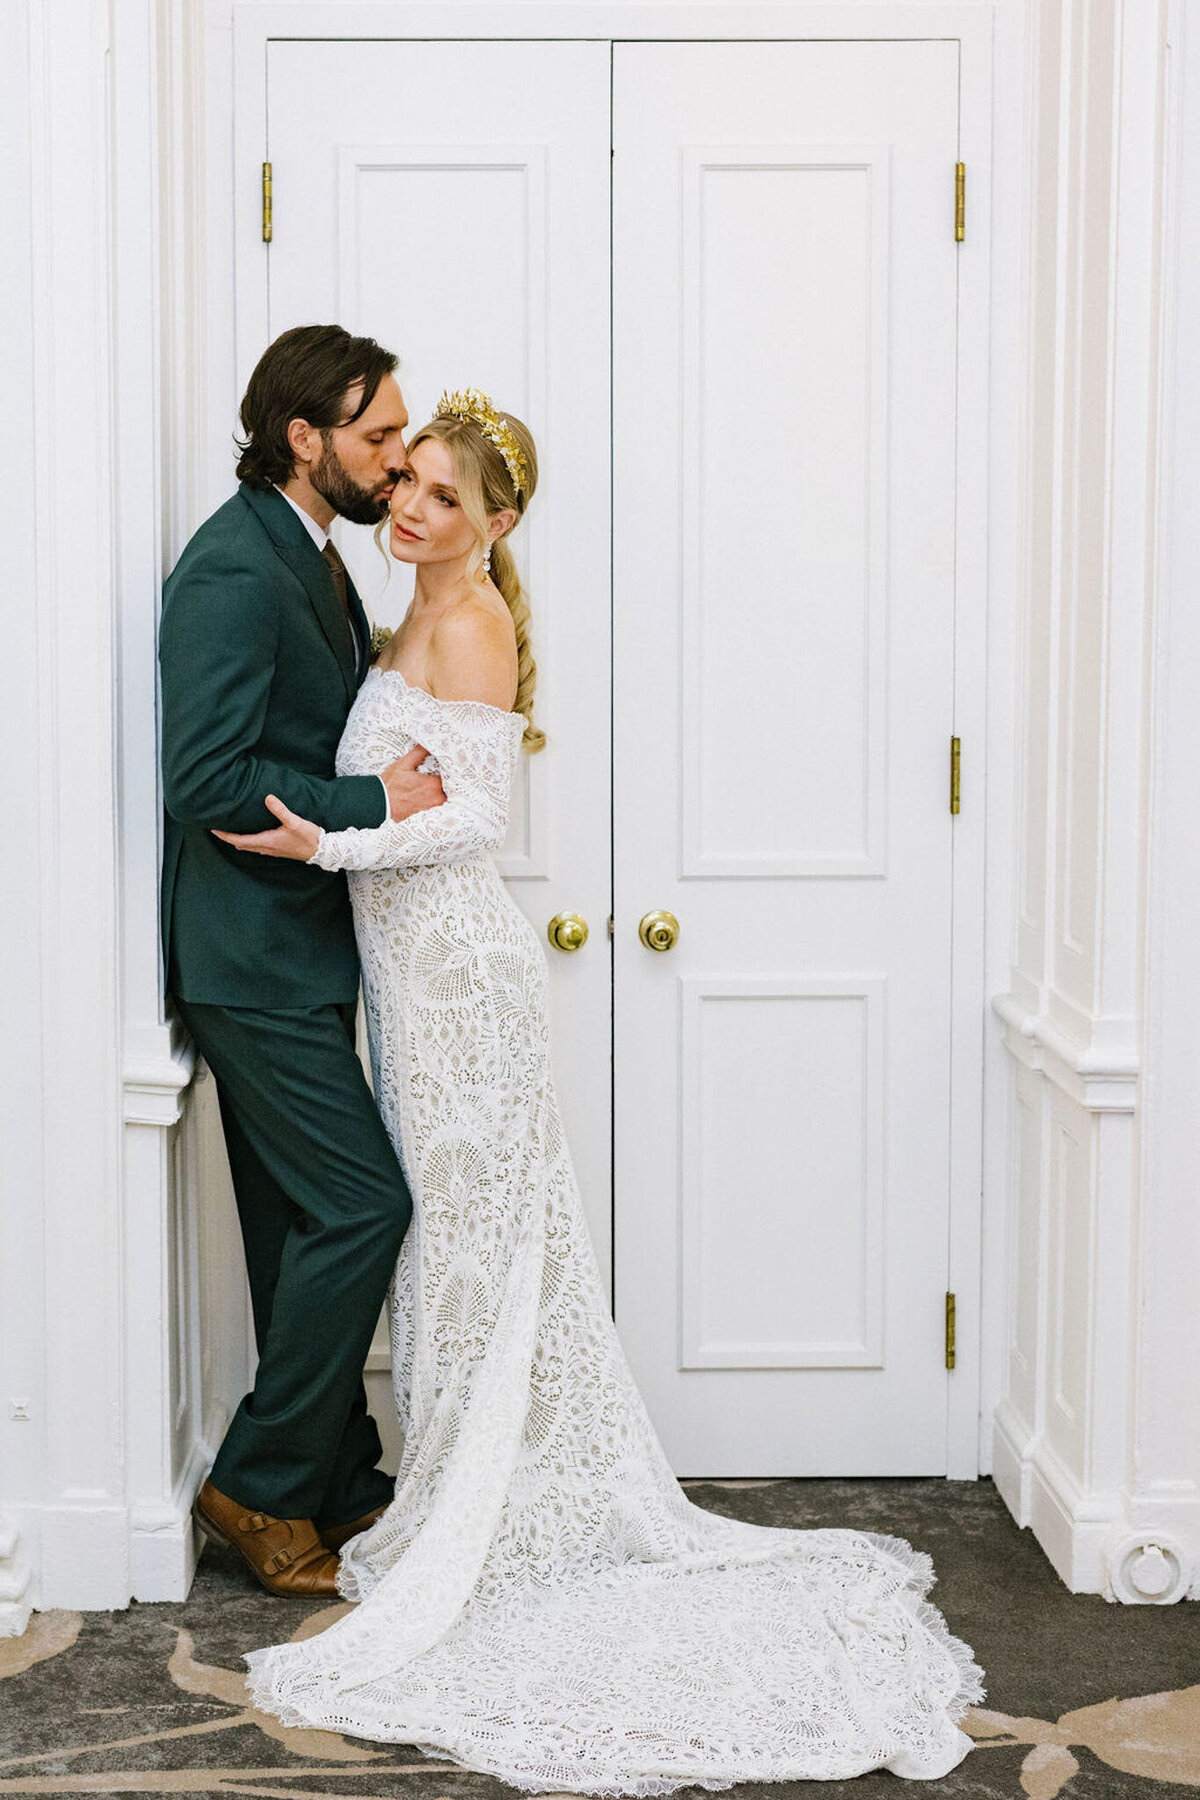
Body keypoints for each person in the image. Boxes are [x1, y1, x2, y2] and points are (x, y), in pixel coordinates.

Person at [216, 389, 983, 1788]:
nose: (413, 508)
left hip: (460, 989)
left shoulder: (473, 619)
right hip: (409, 986)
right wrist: (358, 819)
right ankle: (455, 1496)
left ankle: (476, 1519)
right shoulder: (406, 615)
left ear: (494, 525)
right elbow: (408, 784)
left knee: (471, 1250)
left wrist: (321, 849)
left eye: (445, 498)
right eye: (412, 485)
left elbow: (479, 823)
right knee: (448, 1248)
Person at [159, 324, 448, 1598]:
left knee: (295, 1234)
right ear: (303, 436)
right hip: (249, 964)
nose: (395, 460)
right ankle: (259, 1484)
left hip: (300, 955)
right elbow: (207, 780)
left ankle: (339, 1481)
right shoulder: (233, 569)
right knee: (365, 1205)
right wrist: (371, 803)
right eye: (378, 436)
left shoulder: (312, 556)